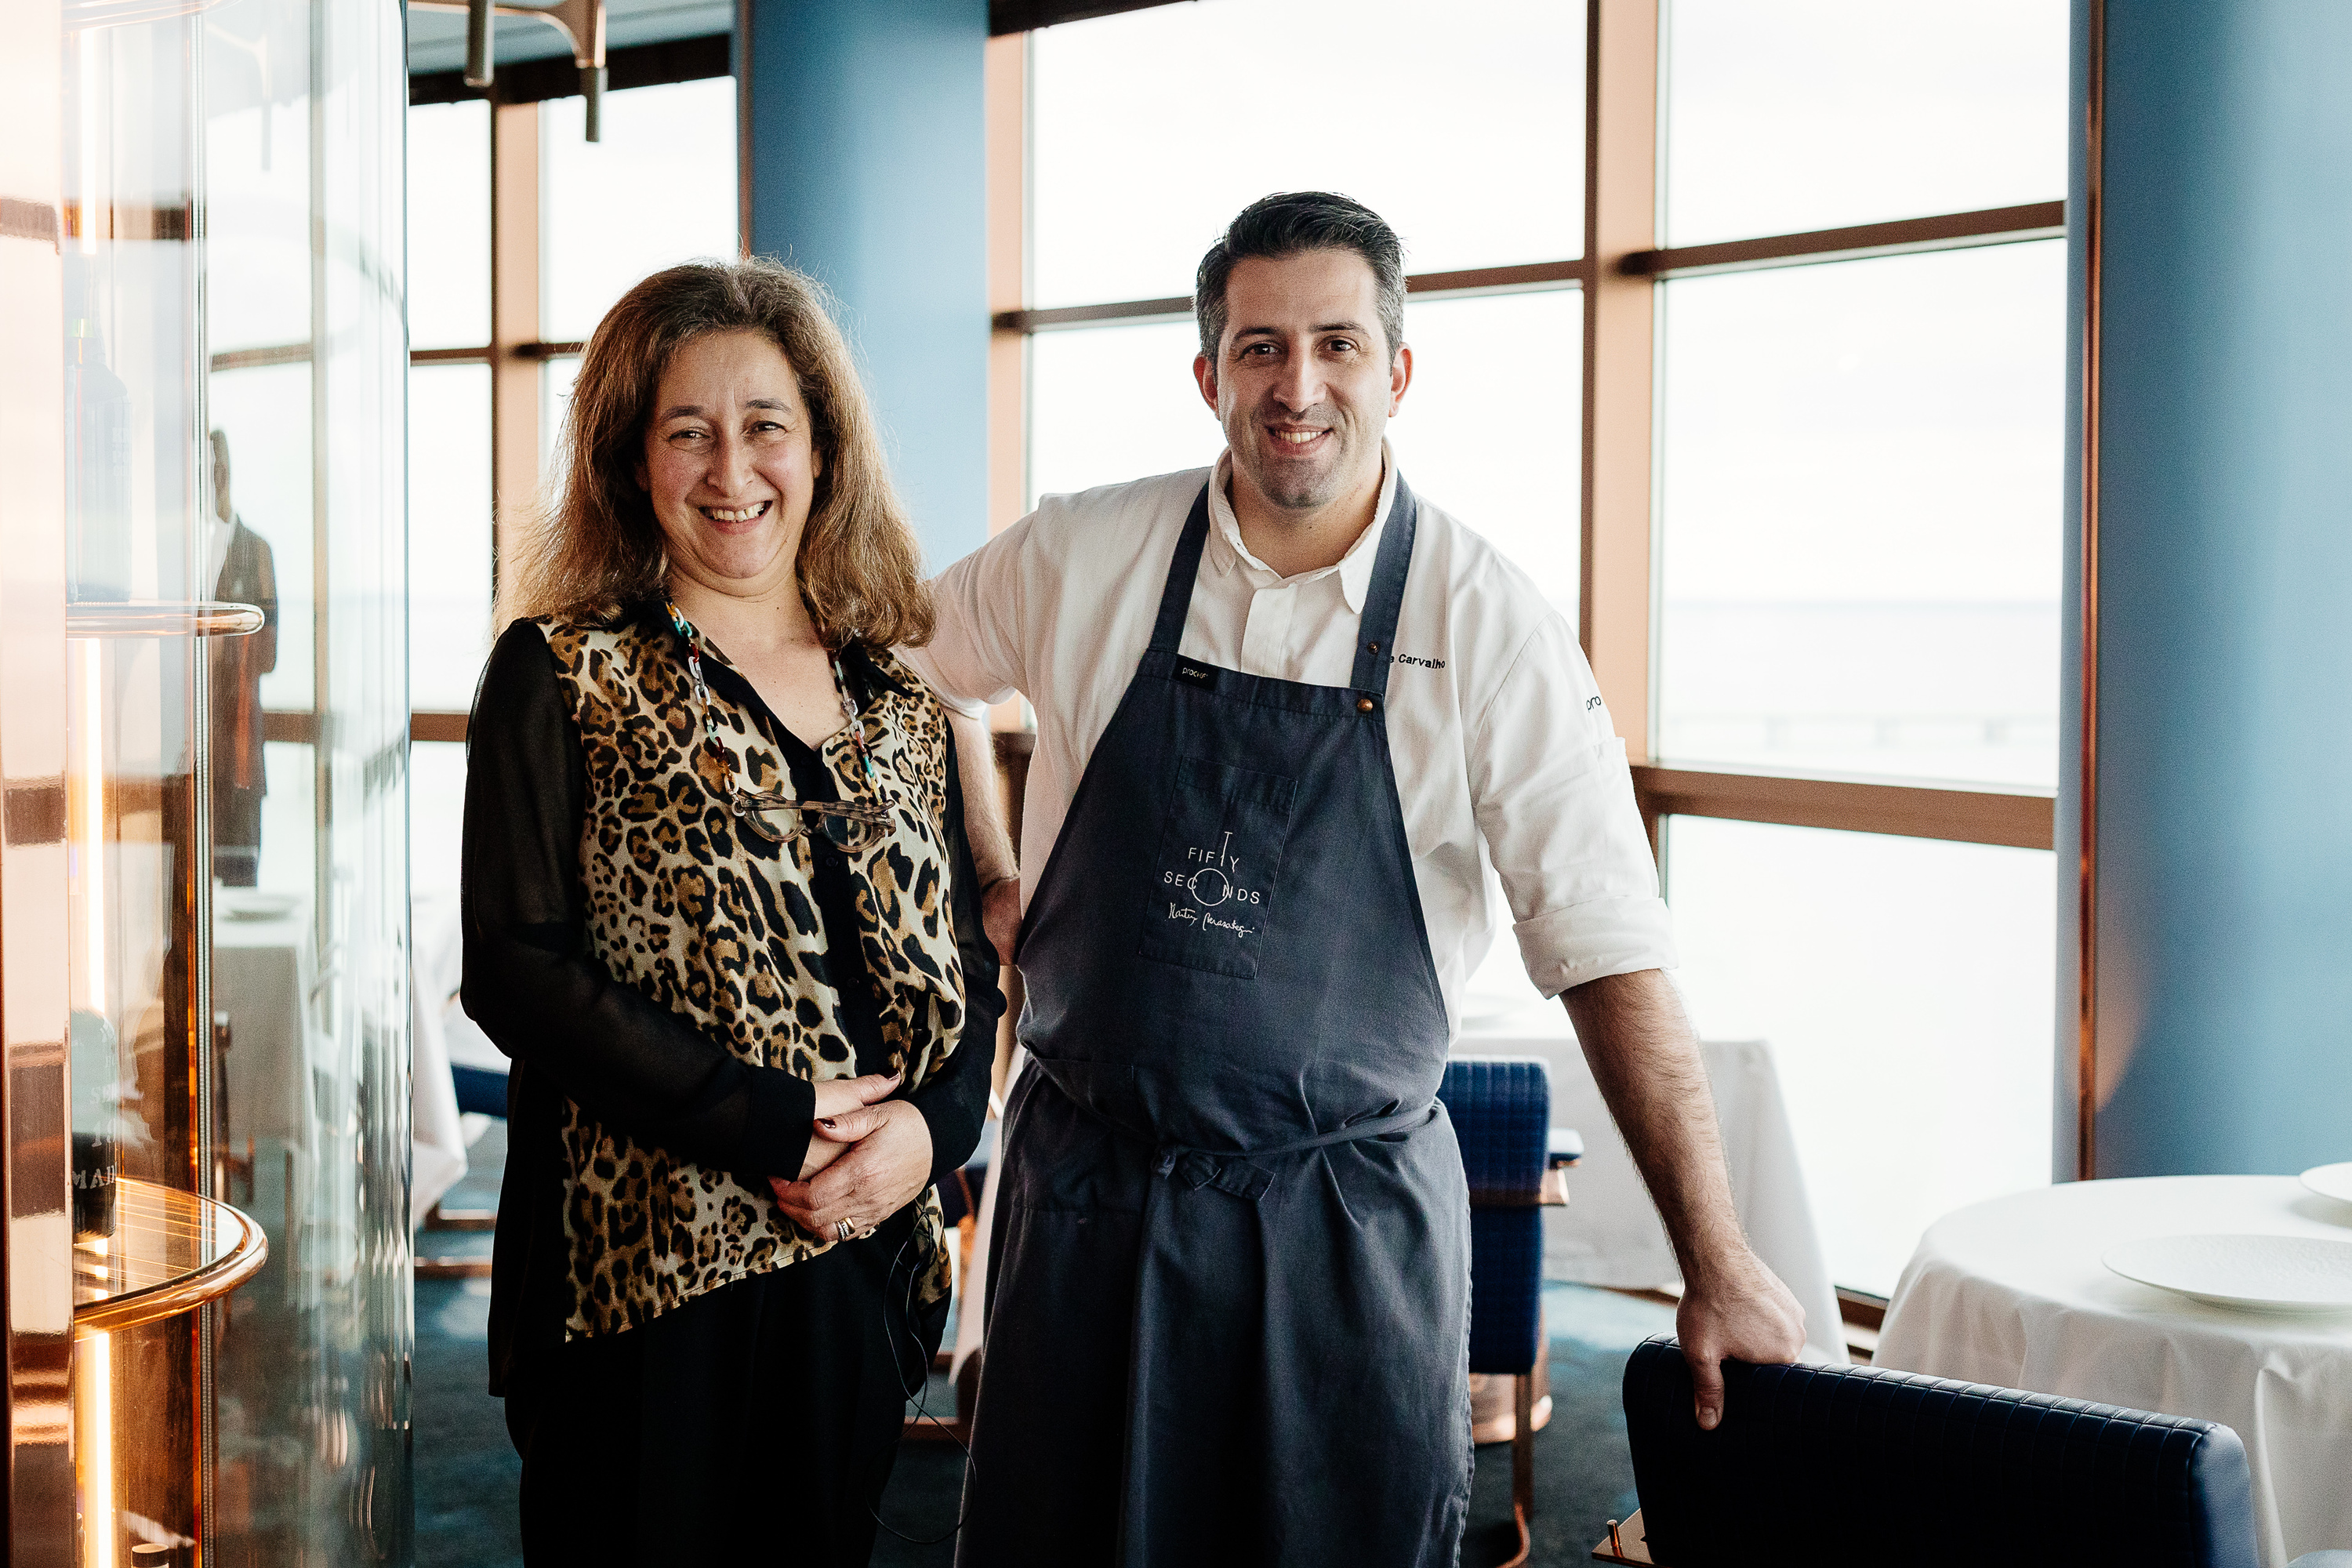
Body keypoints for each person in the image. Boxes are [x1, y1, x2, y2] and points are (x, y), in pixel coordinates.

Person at [909, 193, 1808, 1566]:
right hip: (1090, 1203)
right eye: (1259, 349)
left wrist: (1719, 1259)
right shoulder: (1081, 553)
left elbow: (1607, 942)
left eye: (1336, 344)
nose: (1298, 386)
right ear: (1209, 377)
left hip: (1341, 1236)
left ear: (1397, 371)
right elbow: (893, 672)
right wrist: (984, 865)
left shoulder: (1487, 623)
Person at [459, 258, 1004, 1566]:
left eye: (765, 425)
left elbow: (973, 967)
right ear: (631, 461)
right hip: (635, 1281)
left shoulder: (904, 691)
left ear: (821, 450)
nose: (729, 469)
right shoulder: (561, 671)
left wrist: (932, 1139)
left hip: (859, 1264)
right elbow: (515, 970)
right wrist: (764, 1121)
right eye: (685, 431)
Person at [205, 430, 277, 886]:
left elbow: (269, 654)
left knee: (239, 887)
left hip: (238, 747)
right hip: (189, 754)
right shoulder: (182, 552)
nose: (213, 481)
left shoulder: (257, 553)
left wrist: (225, 646)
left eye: (216, 470)